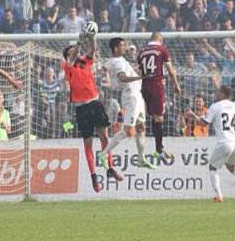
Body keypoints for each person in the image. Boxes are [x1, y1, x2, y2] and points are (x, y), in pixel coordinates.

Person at [62, 32, 123, 192]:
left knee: (105, 137)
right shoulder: (67, 65)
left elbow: (93, 49)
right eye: (70, 52)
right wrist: (79, 43)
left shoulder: (85, 61)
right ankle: (94, 177)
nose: (74, 52)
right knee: (88, 144)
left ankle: (110, 168)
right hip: (81, 108)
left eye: (74, 51)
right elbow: (72, 55)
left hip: (95, 103)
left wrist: (92, 36)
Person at [99, 37, 155, 170]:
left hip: (137, 95)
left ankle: (141, 159)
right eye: (122, 46)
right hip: (130, 97)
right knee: (129, 131)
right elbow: (122, 78)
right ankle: (103, 154)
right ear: (116, 48)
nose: (125, 48)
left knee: (141, 127)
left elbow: (105, 67)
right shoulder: (118, 62)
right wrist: (141, 77)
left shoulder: (119, 60)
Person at [199, 85, 235, 202]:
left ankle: (219, 196)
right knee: (231, 167)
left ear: (223, 94)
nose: (216, 94)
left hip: (225, 141)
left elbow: (204, 124)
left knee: (212, 167)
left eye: (218, 92)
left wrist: (198, 118)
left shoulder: (215, 106)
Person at [137, 32, 181, 163]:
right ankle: (159, 150)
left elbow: (140, 71)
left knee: (148, 117)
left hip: (144, 85)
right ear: (160, 39)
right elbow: (170, 70)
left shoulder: (142, 52)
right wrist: (176, 85)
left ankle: (152, 149)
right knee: (159, 117)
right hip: (156, 85)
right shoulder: (162, 49)